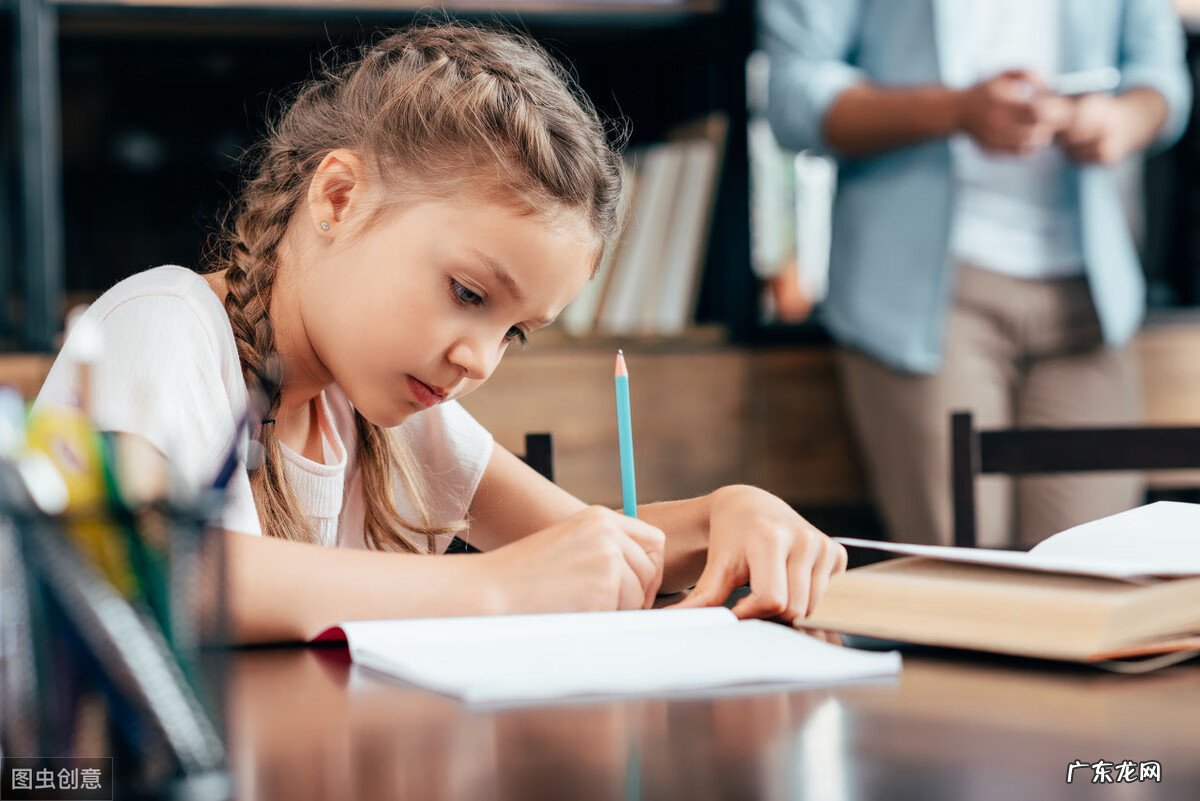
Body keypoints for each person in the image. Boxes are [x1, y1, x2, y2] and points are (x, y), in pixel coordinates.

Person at [34, 23, 847, 643]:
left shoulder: (389, 413)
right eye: (467, 292)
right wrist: (496, 587)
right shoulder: (164, 324)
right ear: (340, 198)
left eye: (515, 333)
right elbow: (162, 570)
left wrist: (723, 517)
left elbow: (585, 544)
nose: (480, 359)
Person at [760, 0, 1192, 547]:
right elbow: (794, 95)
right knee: (967, 578)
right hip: (924, 305)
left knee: (1096, 571)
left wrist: (1123, 119)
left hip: (1088, 299)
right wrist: (957, 110)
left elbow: (1159, 76)